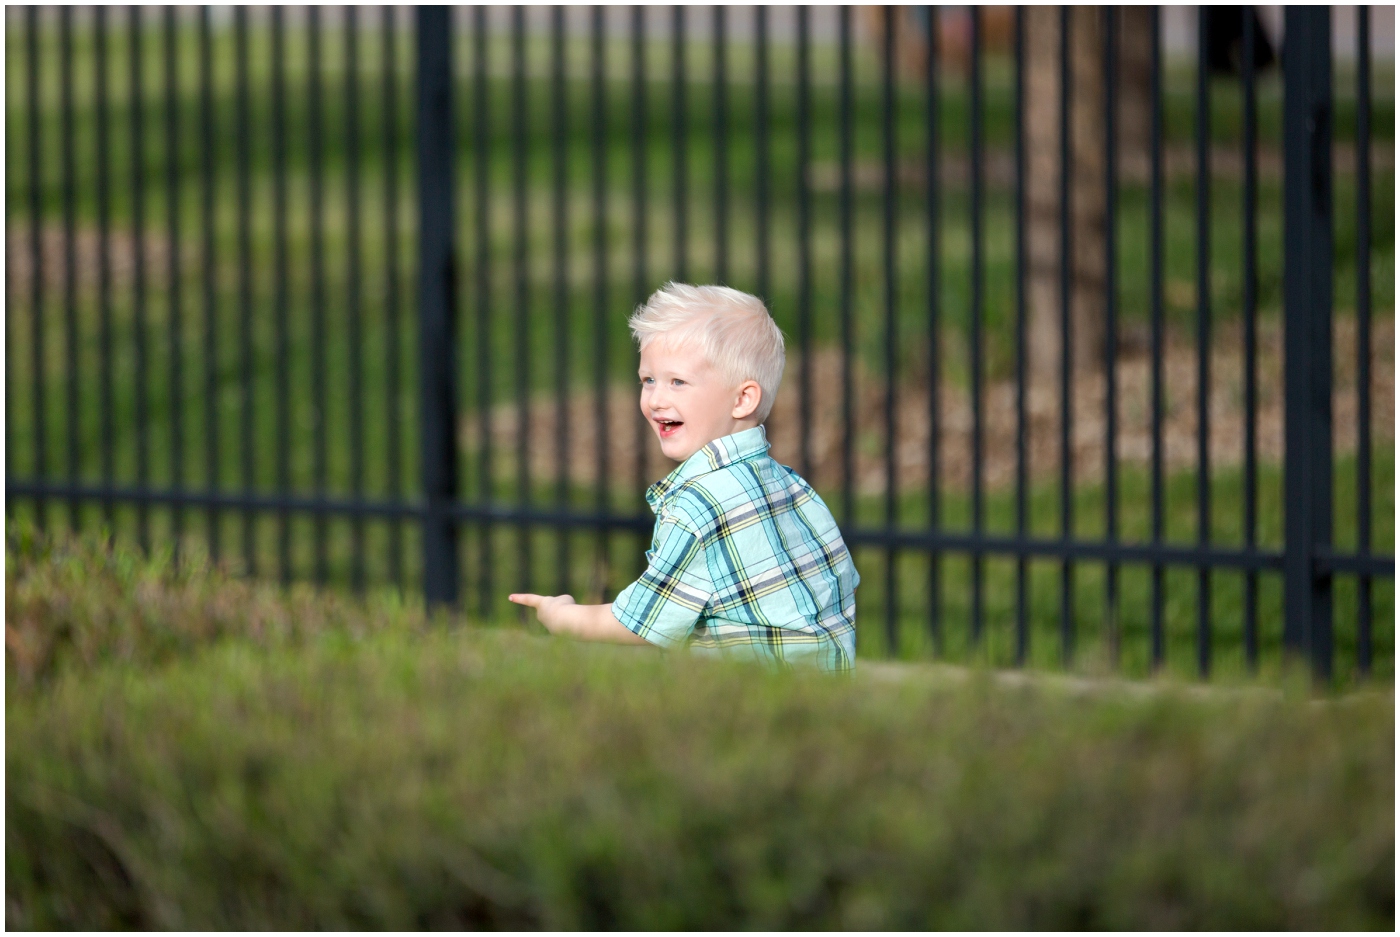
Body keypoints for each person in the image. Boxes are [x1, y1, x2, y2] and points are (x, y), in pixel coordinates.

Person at [509, 282, 859, 673]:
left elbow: (644, 622)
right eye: (648, 380)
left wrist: (563, 616)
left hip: (747, 698)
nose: (656, 399)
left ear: (743, 399)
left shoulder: (700, 504)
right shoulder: (792, 487)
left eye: (677, 381)